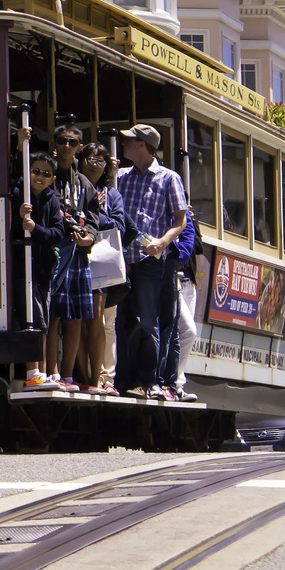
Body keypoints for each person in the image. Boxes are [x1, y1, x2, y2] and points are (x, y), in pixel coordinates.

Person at [114, 123, 189, 398]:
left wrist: (162, 242)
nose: (123, 145)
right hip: (123, 261)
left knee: (149, 322)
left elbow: (180, 221)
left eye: (129, 141)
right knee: (121, 322)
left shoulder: (169, 178)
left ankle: (149, 381)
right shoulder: (121, 176)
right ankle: (122, 379)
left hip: (151, 261)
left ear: (143, 145)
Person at [77, 143, 136, 394]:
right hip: (75, 259)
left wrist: (97, 212)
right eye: (90, 159)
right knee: (76, 321)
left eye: (100, 162)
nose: (94, 165)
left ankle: (105, 378)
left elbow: (121, 228)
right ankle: (82, 375)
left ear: (106, 169)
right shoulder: (72, 186)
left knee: (105, 323)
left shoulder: (112, 195)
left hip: (102, 265)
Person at [44, 125, 99, 388]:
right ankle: (52, 373)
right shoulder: (46, 173)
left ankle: (68, 375)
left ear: (79, 147)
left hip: (77, 253)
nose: (67, 146)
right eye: (62, 141)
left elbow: (94, 220)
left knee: (75, 316)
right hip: (54, 251)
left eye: (72, 142)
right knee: (53, 314)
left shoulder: (84, 183)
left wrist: (88, 235)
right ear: (54, 144)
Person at [17, 149, 73, 388]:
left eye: (45, 173)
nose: (39, 176)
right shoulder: (18, 193)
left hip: (44, 269)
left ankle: (38, 372)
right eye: (36, 171)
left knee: (43, 320)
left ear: (52, 178)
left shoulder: (52, 200)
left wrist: (34, 228)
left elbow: (58, 233)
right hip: (23, 266)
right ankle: (32, 373)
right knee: (32, 318)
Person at [169, 213, 201, 401]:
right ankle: (174, 384)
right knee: (188, 331)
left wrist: (190, 219)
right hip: (174, 281)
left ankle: (178, 384)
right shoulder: (165, 220)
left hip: (189, 285)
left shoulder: (188, 222)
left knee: (183, 335)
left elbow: (198, 246)